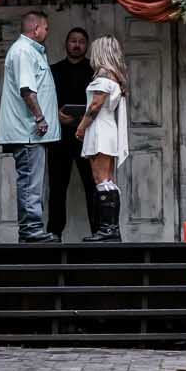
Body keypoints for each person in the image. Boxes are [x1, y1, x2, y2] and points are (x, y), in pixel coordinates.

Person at [0, 9, 59, 243]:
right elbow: (27, 90)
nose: (47, 32)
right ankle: (31, 230)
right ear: (36, 29)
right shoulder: (23, 52)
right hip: (28, 132)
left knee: (32, 180)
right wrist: (40, 118)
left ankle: (31, 229)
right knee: (31, 180)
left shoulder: (32, 52)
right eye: (46, 28)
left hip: (32, 134)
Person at [46, 26, 105, 239]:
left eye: (81, 41)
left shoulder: (94, 72)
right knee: (57, 187)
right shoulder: (52, 70)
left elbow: (100, 104)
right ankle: (54, 233)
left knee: (92, 186)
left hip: (86, 137)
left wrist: (82, 120)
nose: (77, 44)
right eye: (73, 40)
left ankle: (98, 232)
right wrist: (56, 115)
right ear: (66, 44)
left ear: (86, 45)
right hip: (58, 137)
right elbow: (44, 101)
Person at [75, 36, 129, 241]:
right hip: (108, 129)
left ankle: (108, 229)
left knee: (101, 179)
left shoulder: (103, 79)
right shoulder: (114, 77)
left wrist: (81, 128)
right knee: (107, 180)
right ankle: (111, 229)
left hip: (99, 131)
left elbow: (95, 106)